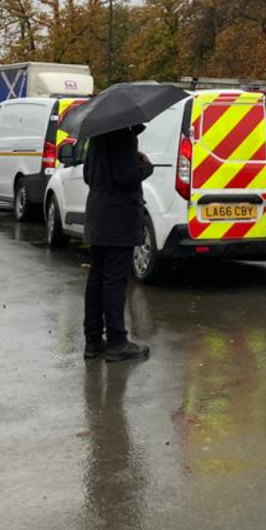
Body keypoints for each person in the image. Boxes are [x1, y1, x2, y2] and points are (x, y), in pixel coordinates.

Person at [82, 125, 154, 362]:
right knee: (115, 280)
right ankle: (117, 342)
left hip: (97, 214)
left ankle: (92, 341)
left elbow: (87, 174)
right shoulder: (124, 136)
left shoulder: (97, 135)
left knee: (97, 278)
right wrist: (144, 166)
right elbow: (126, 177)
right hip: (118, 217)